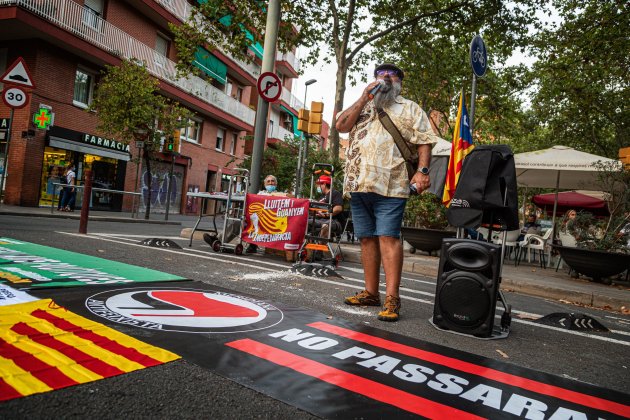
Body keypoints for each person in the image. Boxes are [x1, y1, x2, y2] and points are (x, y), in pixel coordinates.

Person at [336, 63, 436, 322]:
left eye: (391, 76)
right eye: (381, 75)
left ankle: (392, 298)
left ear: (400, 82)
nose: (386, 79)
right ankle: (371, 292)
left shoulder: (410, 108)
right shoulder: (364, 104)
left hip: (392, 182)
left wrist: (423, 171)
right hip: (359, 182)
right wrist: (362, 98)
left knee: (387, 237)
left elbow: (425, 140)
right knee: (367, 238)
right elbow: (340, 126)